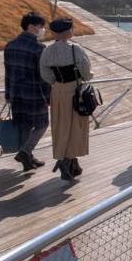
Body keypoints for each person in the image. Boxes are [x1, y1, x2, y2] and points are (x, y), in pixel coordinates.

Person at [39, 17, 93, 181]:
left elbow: (44, 72)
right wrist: (87, 77)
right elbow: (85, 70)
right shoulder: (75, 49)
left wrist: (55, 82)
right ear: (68, 31)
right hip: (74, 90)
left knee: (61, 126)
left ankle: (70, 162)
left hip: (58, 91)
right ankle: (67, 160)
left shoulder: (47, 51)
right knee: (76, 126)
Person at [4, 11, 51, 172]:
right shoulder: (38, 48)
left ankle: (28, 159)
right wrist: (48, 96)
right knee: (42, 124)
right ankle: (25, 152)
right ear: (31, 26)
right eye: (40, 26)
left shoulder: (10, 45)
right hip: (34, 94)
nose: (42, 29)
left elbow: (8, 73)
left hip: (16, 93)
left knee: (24, 126)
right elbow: (43, 76)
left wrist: (8, 94)